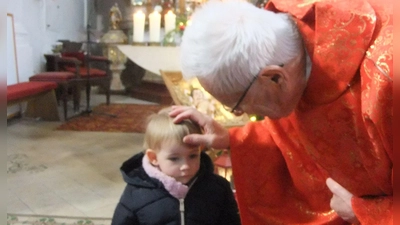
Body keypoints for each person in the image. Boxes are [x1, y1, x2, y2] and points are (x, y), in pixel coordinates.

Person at [169, 0, 393, 224]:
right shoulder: (290, 42)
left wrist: (368, 213)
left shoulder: (387, 80)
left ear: (275, 77)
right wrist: (235, 139)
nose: (237, 114)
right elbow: (301, 132)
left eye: (236, 105)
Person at [111, 107, 241, 225]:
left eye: (193, 156)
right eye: (174, 159)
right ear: (154, 158)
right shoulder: (136, 194)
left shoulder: (217, 188)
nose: (185, 166)